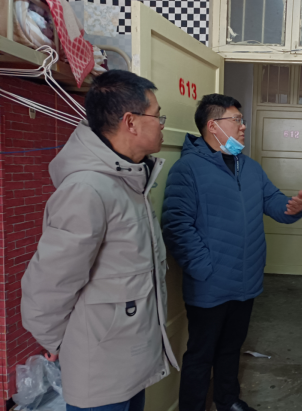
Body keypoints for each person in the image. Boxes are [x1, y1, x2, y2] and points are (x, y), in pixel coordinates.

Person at [21, 70, 179, 410]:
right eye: (158, 116)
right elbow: (49, 284)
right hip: (99, 369)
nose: (162, 125)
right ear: (131, 122)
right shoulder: (87, 189)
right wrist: (58, 342)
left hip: (129, 360)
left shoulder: (130, 179)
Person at [162, 94, 302, 411]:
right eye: (236, 120)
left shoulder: (249, 167)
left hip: (245, 282)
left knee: (231, 347)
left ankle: (227, 401)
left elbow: (273, 202)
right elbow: (176, 226)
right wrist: (205, 268)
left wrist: (291, 208)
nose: (243, 127)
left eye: (242, 120)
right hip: (209, 285)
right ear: (213, 126)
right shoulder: (188, 169)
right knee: (201, 354)